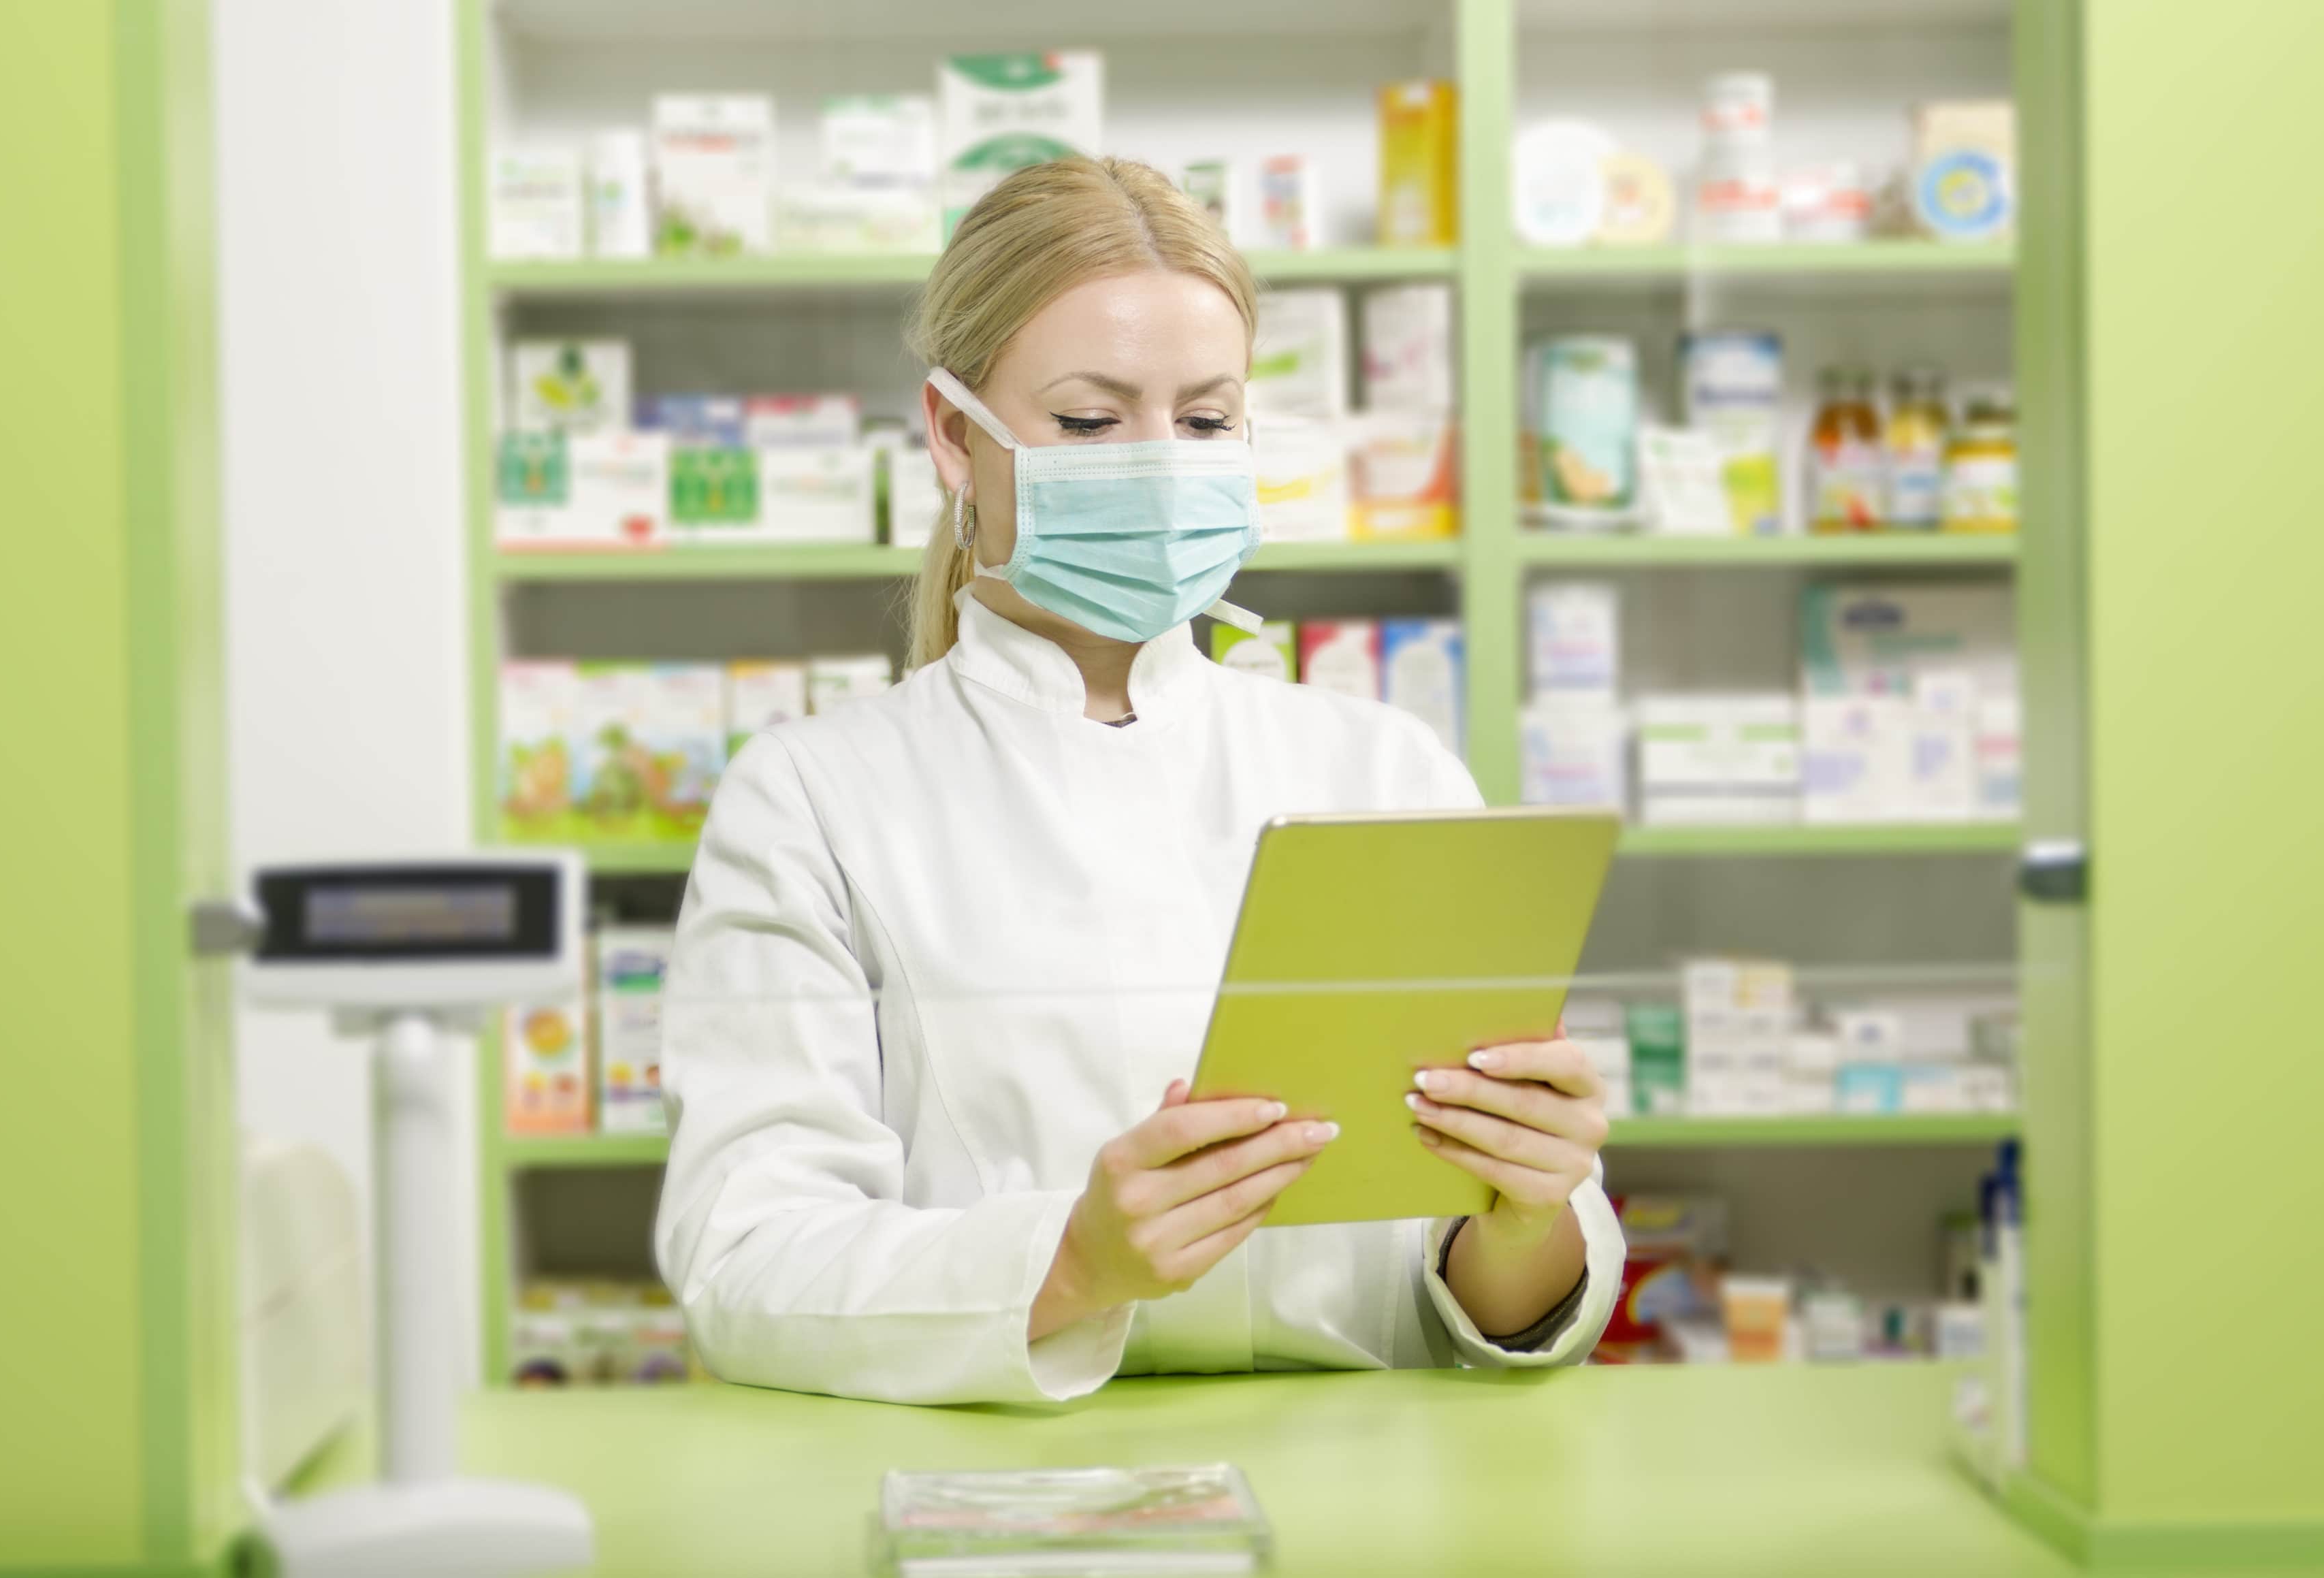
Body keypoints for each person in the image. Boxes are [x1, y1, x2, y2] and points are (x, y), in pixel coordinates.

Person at [656, 156, 1624, 1406]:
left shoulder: (1385, 768)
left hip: (1367, 1491)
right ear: (956, 436)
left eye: (1206, 420)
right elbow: (746, 1257)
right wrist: (1072, 1261)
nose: (1160, 465)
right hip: (984, 1487)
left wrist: (1521, 1211)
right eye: (1091, 422)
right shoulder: (815, 794)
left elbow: (1506, 1295)